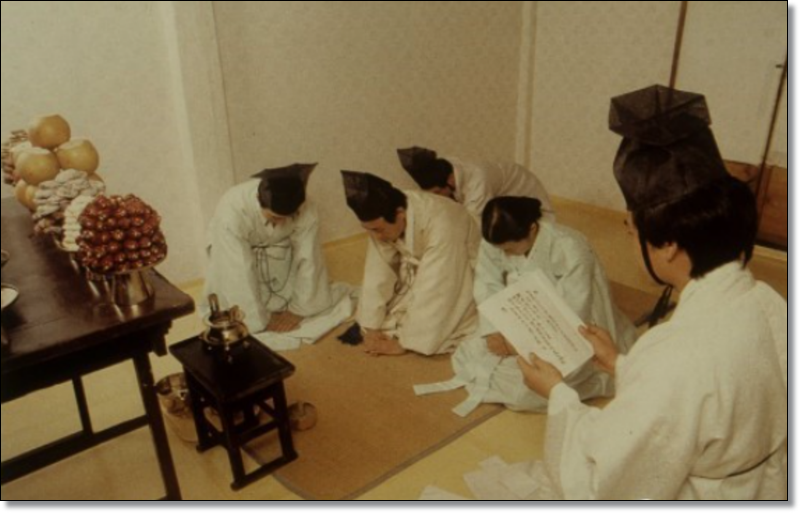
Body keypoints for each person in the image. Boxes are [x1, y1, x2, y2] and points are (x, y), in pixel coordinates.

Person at [517, 85, 787, 500]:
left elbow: (603, 482)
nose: (630, 240)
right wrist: (620, 364)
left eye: (631, 230)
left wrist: (557, 395)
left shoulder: (673, 356)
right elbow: (708, 401)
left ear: (669, 244)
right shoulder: (769, 302)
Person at [445, 195, 636, 414]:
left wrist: (521, 343)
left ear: (532, 229)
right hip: (523, 310)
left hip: (570, 320)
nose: (504, 254)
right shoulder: (496, 238)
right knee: (474, 355)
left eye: (509, 249)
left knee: (529, 391)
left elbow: (576, 304)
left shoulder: (569, 245)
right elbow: (486, 283)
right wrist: (494, 329)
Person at [341, 170, 480, 356]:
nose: (376, 237)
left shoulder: (443, 223)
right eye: (370, 230)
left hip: (462, 269)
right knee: (389, 318)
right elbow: (377, 270)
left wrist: (405, 343)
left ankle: (416, 337)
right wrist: (370, 326)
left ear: (400, 213)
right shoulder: (387, 213)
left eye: (378, 230)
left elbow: (438, 287)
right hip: (430, 267)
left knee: (451, 325)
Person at [202, 163, 338, 333]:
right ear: (258, 200)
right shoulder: (232, 211)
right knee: (236, 281)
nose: (281, 222)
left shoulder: (305, 206)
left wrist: (300, 309)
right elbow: (238, 270)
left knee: (305, 267)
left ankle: (290, 301)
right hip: (231, 250)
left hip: (278, 248)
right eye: (275, 217)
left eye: (287, 217)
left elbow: (309, 256)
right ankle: (254, 314)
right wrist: (257, 319)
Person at [397, 146, 555, 224]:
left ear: (450, 181)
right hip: (501, 201)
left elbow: (473, 227)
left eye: (438, 192)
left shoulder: (478, 183)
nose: (437, 197)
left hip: (528, 201)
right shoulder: (448, 167)